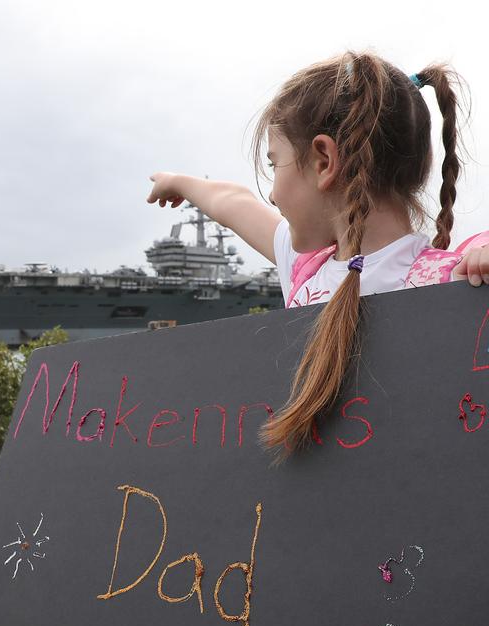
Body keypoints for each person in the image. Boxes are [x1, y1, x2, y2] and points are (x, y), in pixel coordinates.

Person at [145, 51, 488, 457]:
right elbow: (232, 201)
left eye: (275, 165)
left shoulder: (456, 276)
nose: (270, 194)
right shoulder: (307, 264)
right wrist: (180, 182)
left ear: (324, 160)